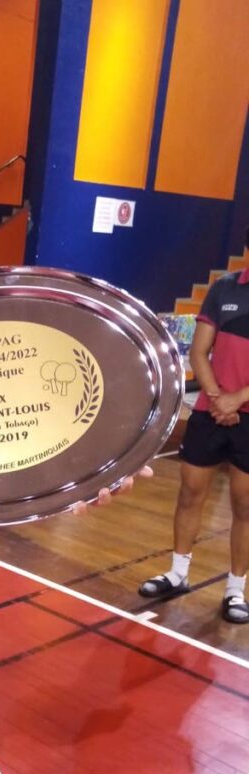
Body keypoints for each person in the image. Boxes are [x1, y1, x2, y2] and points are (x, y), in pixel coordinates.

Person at [139, 245, 249, 624]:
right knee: (189, 492)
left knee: (245, 506)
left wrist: (238, 399)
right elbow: (200, 351)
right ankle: (177, 574)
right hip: (210, 412)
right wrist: (219, 400)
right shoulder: (224, 289)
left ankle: (236, 590)